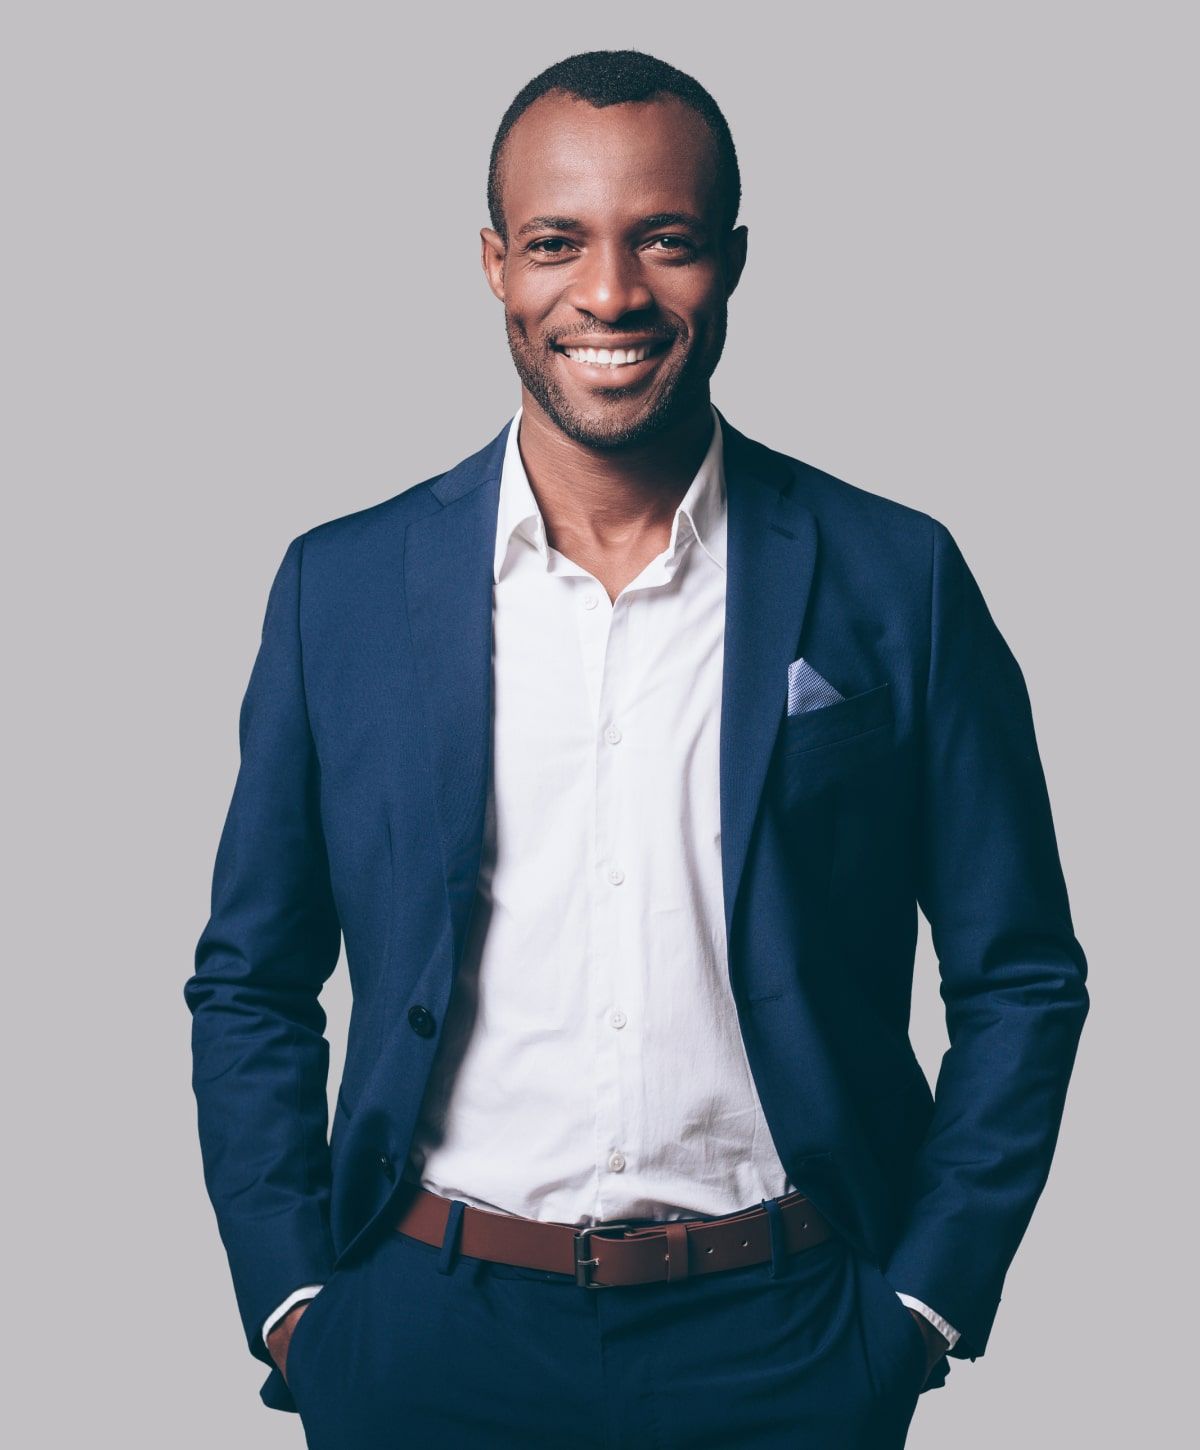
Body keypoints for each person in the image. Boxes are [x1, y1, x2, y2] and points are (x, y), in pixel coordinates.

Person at [185, 48, 1090, 1449]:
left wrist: (924, 1303)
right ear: (495, 263)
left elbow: (1022, 970)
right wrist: (296, 1295)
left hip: (788, 1334)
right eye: (558, 242)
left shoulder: (893, 576)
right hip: (426, 1336)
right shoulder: (342, 587)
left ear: (729, 261)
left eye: (661, 240)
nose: (608, 294)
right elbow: (249, 974)